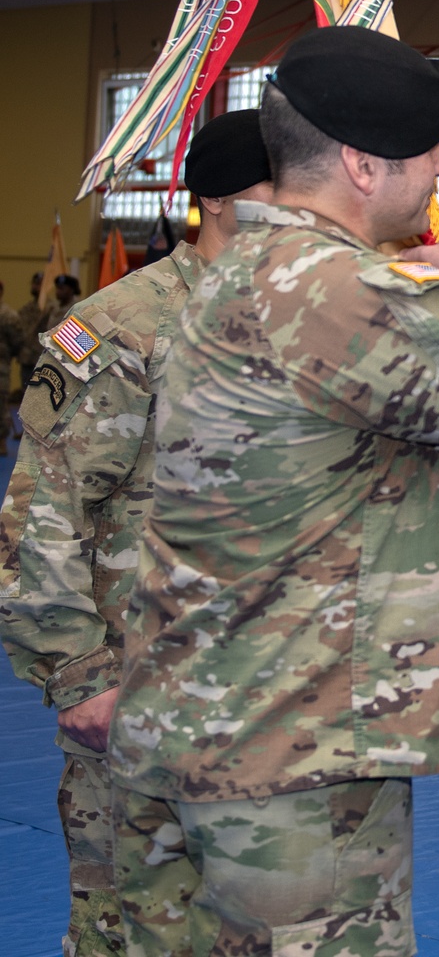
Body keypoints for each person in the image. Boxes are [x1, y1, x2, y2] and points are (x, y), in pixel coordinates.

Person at [106, 25, 439, 956]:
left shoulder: (245, 271)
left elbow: (341, 463)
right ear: (363, 166)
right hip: (293, 754)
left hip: (224, 720)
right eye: (425, 147)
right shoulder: (334, 290)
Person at [0, 109, 274, 957]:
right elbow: (39, 515)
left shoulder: (300, 319)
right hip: (138, 698)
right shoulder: (127, 326)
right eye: (289, 188)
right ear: (225, 199)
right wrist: (78, 680)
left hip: (264, 707)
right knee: (128, 929)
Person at [0, 279, 24, 456]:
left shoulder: (8, 315)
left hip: (1, 368)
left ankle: (1, 440)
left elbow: (18, 341)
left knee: (0, 404)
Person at [17, 270, 43, 390]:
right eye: (34, 283)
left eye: (39, 284)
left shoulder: (51, 309)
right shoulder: (26, 308)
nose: (35, 287)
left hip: (42, 359)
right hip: (27, 359)